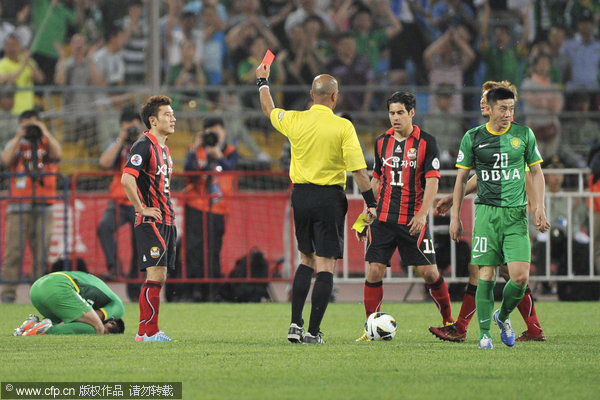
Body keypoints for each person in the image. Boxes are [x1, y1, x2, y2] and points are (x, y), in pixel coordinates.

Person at [256, 64, 377, 344]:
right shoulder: (343, 126)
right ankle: (313, 331)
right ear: (335, 96)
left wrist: (263, 81)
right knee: (325, 265)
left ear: (312, 95)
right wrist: (371, 203)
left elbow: (268, 109)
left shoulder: (295, 120)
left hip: (301, 195)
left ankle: (294, 325)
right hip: (329, 198)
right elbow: (358, 171)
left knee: (305, 259)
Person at [429, 80, 548, 343]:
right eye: (483, 101)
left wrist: (537, 206)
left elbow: (528, 175)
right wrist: (453, 199)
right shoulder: (477, 138)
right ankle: (526, 327)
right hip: (489, 214)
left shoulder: (518, 138)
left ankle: (471, 325)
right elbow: (481, 175)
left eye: (486, 100)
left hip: (512, 212)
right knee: (490, 273)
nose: (483, 104)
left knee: (510, 275)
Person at [353, 91, 455, 342]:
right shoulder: (381, 142)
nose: (395, 118)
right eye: (391, 113)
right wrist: (363, 219)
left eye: (400, 112)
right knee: (374, 270)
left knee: (430, 273)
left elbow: (432, 182)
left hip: (412, 221)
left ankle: (449, 321)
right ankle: (370, 327)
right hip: (383, 220)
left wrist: (422, 214)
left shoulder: (427, 142)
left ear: (411, 113)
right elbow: (376, 180)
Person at [121, 95, 177, 342]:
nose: (173, 118)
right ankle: (149, 332)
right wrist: (141, 208)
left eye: (172, 114)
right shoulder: (143, 145)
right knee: (155, 275)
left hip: (166, 219)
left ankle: (144, 333)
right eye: (167, 114)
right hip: (150, 220)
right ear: (153, 121)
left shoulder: (165, 149)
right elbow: (127, 178)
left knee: (159, 276)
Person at [1, 109, 61, 303]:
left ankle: (39, 294)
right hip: (18, 204)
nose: (30, 129)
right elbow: (5, 160)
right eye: (26, 124)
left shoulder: (47, 142)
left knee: (42, 251)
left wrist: (44, 131)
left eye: (33, 124)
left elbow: (58, 154)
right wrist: (20, 135)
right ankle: (8, 293)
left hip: (45, 203)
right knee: (13, 251)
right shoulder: (16, 143)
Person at [184, 116, 238, 301]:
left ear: (224, 132)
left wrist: (218, 155)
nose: (216, 135)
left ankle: (213, 291)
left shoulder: (230, 151)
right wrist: (195, 147)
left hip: (218, 208)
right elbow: (189, 171)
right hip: (196, 205)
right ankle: (195, 290)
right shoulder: (196, 150)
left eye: (218, 130)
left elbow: (230, 168)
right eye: (211, 131)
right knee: (194, 249)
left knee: (214, 250)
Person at [97, 108, 143, 285]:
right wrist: (121, 139)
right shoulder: (118, 145)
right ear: (122, 126)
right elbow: (104, 163)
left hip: (140, 202)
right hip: (118, 202)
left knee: (138, 244)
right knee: (104, 227)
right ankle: (114, 268)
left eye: (134, 124)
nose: (131, 128)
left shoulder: (146, 143)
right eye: (127, 125)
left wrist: (140, 139)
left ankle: (134, 285)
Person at [13, 270, 125, 336]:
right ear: (112, 323)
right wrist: (101, 330)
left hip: (36, 288)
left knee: (65, 321)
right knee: (97, 328)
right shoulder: (118, 308)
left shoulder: (97, 298)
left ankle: (31, 326)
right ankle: (44, 331)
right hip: (58, 286)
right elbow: (96, 317)